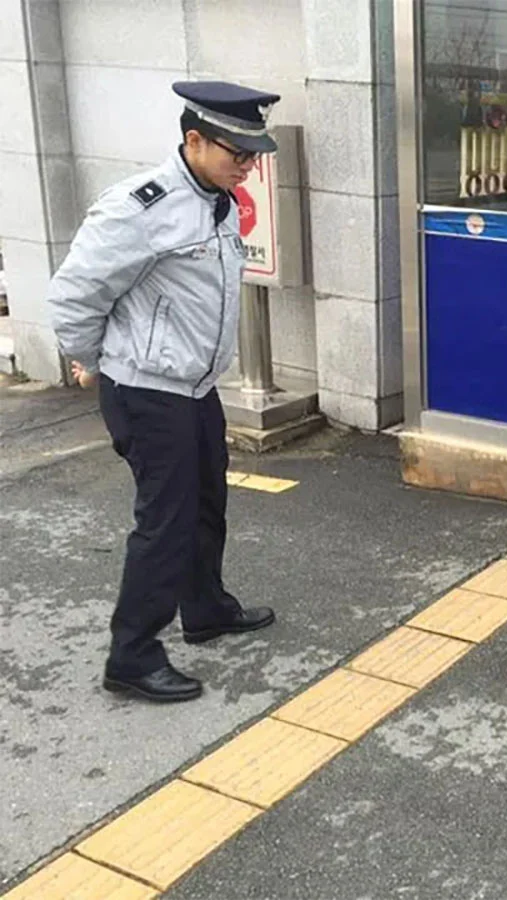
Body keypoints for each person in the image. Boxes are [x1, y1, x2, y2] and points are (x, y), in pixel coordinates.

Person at [47, 81, 282, 703]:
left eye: (253, 153)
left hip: (194, 387)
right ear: (194, 139)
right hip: (147, 390)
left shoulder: (218, 201)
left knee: (206, 501)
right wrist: (93, 361)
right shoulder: (138, 209)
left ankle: (205, 609)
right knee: (165, 522)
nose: (248, 164)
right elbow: (74, 295)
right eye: (238, 151)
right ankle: (132, 655)